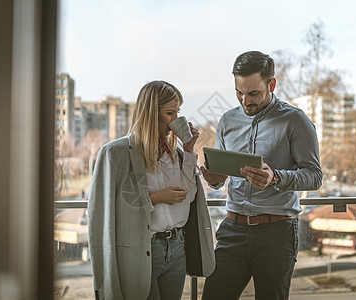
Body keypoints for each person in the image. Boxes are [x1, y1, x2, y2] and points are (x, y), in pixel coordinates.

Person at [200, 51, 323, 300]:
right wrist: (214, 178)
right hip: (232, 230)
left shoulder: (295, 120)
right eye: (239, 92)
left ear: (271, 84)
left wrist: (275, 177)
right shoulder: (227, 121)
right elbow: (221, 178)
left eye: (253, 93)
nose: (245, 101)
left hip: (276, 234)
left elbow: (314, 176)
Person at [87, 80, 215, 300]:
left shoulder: (177, 153)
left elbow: (189, 196)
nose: (177, 119)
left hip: (177, 247)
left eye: (178, 112)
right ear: (150, 113)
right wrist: (155, 198)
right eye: (170, 113)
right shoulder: (115, 153)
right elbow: (102, 213)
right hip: (142, 247)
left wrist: (189, 149)